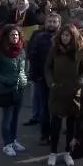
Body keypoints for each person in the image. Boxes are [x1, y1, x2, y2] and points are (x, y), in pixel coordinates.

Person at [44, 24, 83, 166]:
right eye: (63, 35)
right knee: (55, 123)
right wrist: (51, 83)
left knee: (71, 125)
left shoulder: (80, 50)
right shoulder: (54, 49)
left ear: (73, 36)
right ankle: (53, 153)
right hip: (57, 91)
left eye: (68, 35)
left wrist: (80, 82)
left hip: (73, 92)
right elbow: (48, 67)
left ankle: (67, 152)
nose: (65, 37)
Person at [0, 24, 28, 157]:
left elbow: (25, 65)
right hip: (6, 89)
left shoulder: (21, 51)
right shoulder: (0, 52)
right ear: (6, 36)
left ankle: (13, 140)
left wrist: (25, 77)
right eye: (12, 35)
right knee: (7, 118)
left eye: (17, 35)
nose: (15, 37)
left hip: (20, 88)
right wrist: (4, 80)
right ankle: (7, 144)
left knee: (16, 117)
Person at [26, 13, 61, 145]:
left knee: (56, 109)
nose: (51, 24)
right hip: (41, 77)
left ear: (59, 24)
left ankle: (55, 134)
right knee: (44, 108)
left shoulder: (62, 37)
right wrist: (35, 74)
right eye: (50, 21)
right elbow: (32, 55)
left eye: (54, 22)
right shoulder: (38, 36)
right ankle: (45, 134)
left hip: (57, 78)